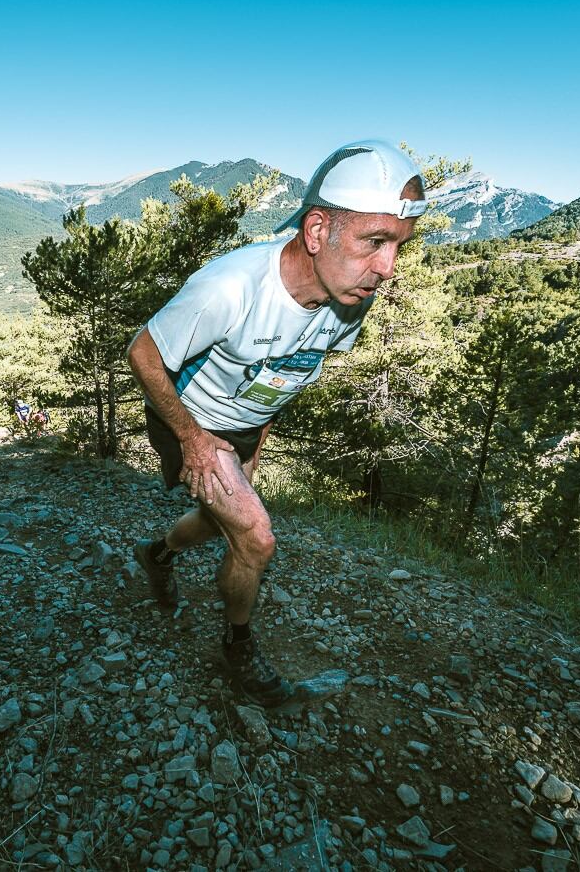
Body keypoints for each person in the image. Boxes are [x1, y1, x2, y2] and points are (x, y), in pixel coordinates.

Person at [127, 140, 427, 707]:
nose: (386, 270)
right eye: (374, 242)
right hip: (194, 420)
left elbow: (289, 372)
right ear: (317, 232)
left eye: (397, 248)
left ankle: (158, 554)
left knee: (221, 522)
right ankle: (238, 645)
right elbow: (143, 351)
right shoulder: (231, 287)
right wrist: (191, 439)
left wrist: (258, 440)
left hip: (243, 425)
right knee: (255, 537)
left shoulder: (350, 299)